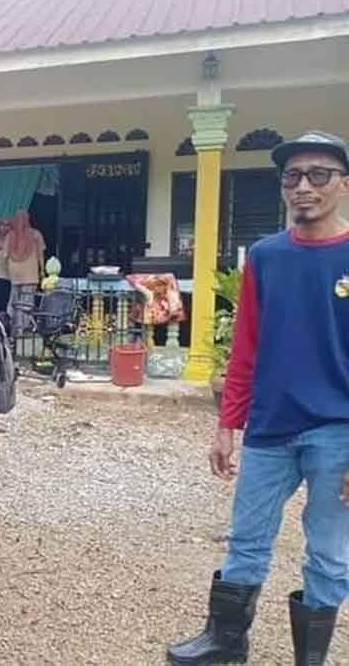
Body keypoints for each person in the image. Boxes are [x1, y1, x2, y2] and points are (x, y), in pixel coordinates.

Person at [167, 131, 349, 666]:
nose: (304, 186)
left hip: (339, 431)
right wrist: (227, 425)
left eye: (318, 174)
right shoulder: (267, 257)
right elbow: (246, 345)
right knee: (246, 539)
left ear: (343, 184)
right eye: (292, 176)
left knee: (328, 552)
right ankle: (226, 641)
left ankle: (310, 657)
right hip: (271, 426)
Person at [5, 211, 46, 333]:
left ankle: (13, 328)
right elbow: (40, 254)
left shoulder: (10, 236)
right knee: (26, 303)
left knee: (14, 302)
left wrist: (9, 269)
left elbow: (5, 256)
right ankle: (24, 329)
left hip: (14, 275)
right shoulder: (35, 235)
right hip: (31, 275)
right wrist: (42, 270)